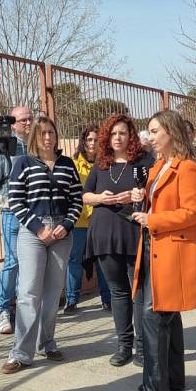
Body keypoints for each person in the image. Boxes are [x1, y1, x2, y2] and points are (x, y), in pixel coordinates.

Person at [130, 110, 196, 391]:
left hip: (171, 250)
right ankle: (173, 379)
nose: (149, 136)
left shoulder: (188, 169)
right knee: (167, 315)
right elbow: (156, 202)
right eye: (149, 131)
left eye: (154, 131)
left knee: (154, 317)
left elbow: (193, 213)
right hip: (155, 248)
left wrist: (153, 219)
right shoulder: (159, 167)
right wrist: (142, 198)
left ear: (171, 133)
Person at [2, 115, 83, 374]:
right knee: (28, 293)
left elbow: (77, 200)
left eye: (51, 132)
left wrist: (66, 225)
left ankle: (47, 342)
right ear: (35, 136)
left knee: (52, 294)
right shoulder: (23, 163)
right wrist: (38, 228)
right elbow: (15, 200)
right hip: (32, 233)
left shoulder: (67, 164)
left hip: (61, 233)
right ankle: (20, 353)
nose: (48, 137)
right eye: (42, 133)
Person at [83, 114, 155, 366]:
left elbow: (149, 190)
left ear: (130, 135)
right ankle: (123, 345)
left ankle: (143, 347)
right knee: (118, 292)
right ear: (107, 137)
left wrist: (139, 193)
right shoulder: (101, 164)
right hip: (104, 234)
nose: (117, 138)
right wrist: (102, 198)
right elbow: (85, 196)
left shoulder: (140, 162)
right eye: (113, 134)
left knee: (138, 291)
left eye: (122, 133)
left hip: (132, 232)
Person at [0, 105, 33, 335]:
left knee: (29, 262)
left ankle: (24, 310)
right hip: (12, 213)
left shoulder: (35, 145)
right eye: (23, 120)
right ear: (12, 124)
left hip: (34, 212)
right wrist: (4, 202)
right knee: (13, 261)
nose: (28, 123)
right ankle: (3, 310)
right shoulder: (4, 147)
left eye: (30, 119)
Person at [64, 125, 111, 316]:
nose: (92, 144)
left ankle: (107, 299)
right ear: (83, 142)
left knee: (102, 260)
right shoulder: (73, 164)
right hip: (78, 222)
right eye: (89, 140)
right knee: (74, 260)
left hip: (99, 221)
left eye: (96, 140)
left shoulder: (105, 165)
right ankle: (71, 300)